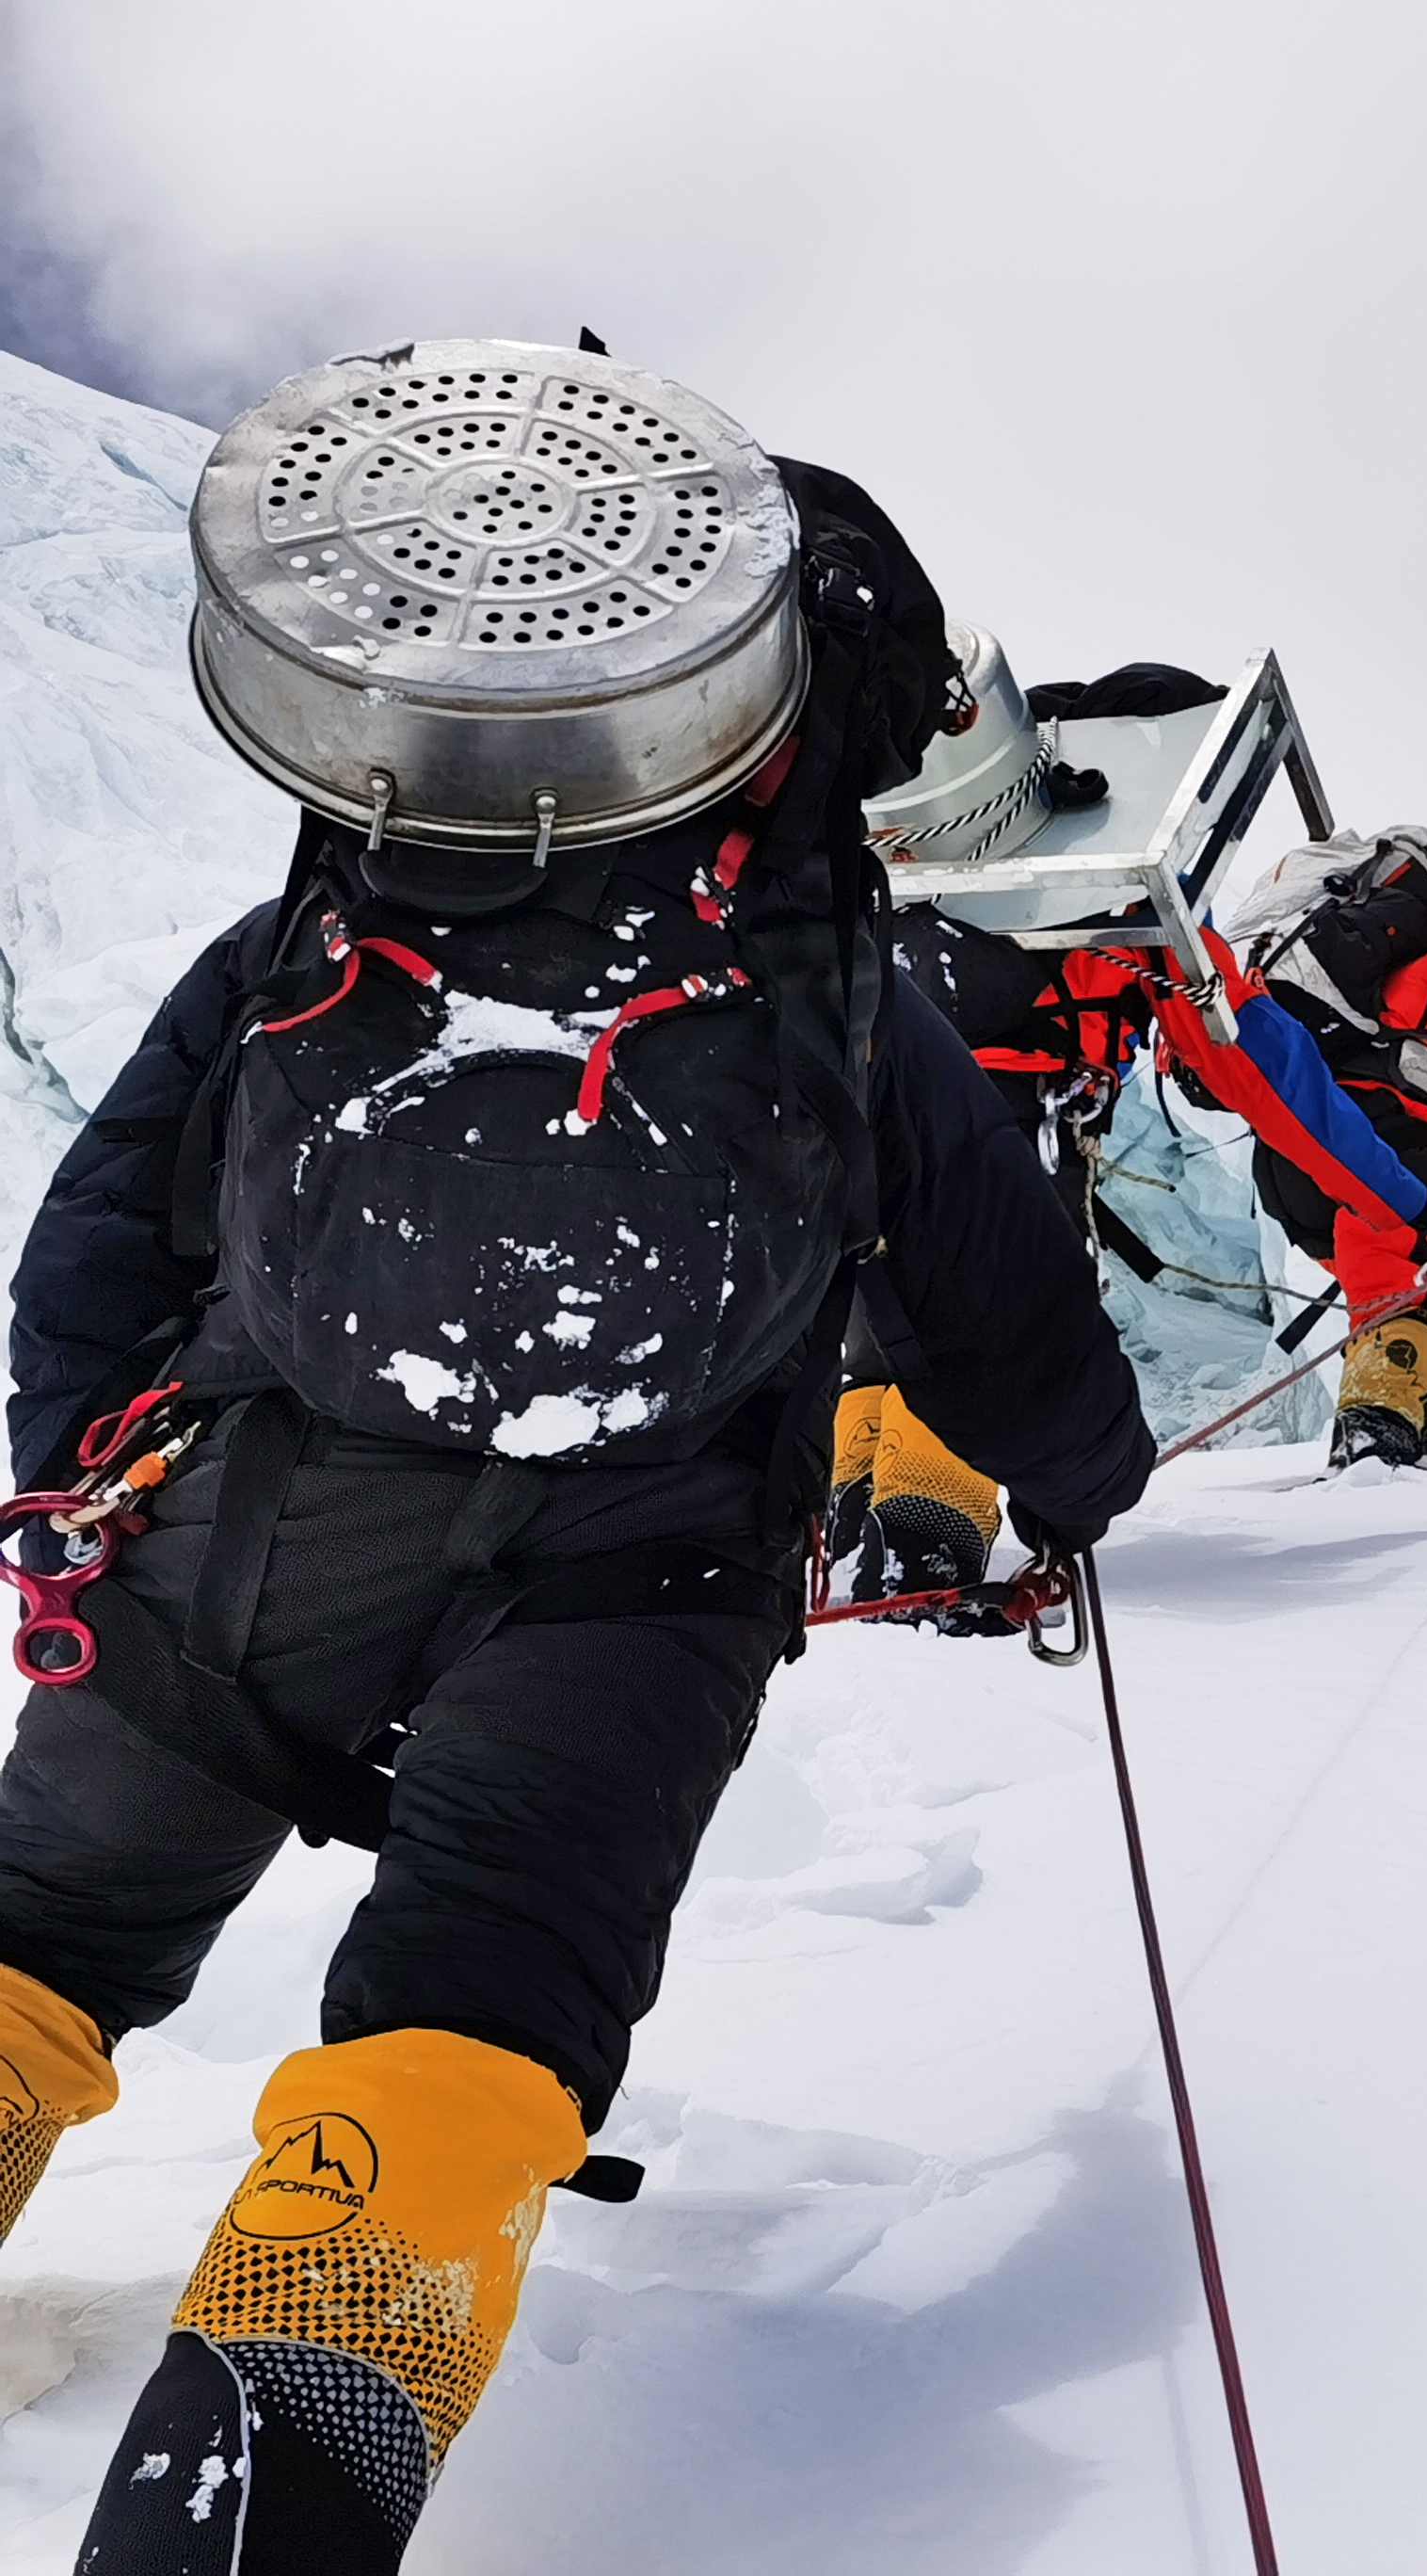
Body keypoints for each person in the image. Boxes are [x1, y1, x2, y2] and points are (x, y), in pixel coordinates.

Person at [0, 345, 1152, 2574]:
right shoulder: (841, 1000)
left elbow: (107, 1226)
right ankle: (248, 2509)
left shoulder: (317, 936)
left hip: (245, 1518)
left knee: (34, 1929)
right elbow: (1008, 1310)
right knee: (472, 2016)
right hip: (646, 1572)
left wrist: (77, 1480)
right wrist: (1081, 1486)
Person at [1158, 828, 1427, 1467]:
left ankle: (1409, 1454)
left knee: (1425, 1285)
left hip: (1295, 1159)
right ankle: (1378, 1449)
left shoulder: (1376, 993)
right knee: (1404, 1284)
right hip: (1396, 1137)